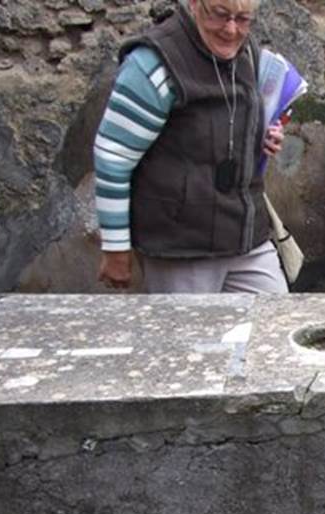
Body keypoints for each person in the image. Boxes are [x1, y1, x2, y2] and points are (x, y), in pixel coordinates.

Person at [94, 0, 287, 294]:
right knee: (190, 326)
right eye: (219, 15)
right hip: (181, 247)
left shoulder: (247, 53)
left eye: (243, 19)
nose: (231, 29)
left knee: (276, 318)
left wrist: (260, 134)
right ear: (194, 4)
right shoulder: (155, 64)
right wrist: (116, 248)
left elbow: (227, 125)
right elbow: (113, 157)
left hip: (246, 237)